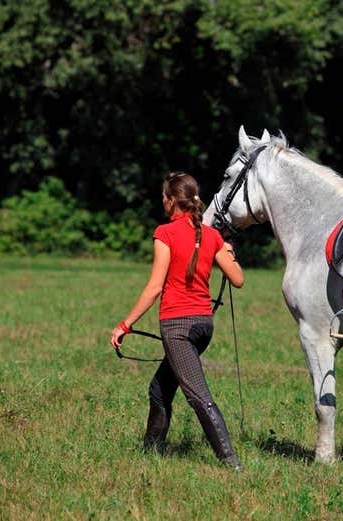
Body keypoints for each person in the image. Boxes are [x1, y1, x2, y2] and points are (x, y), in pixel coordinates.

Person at [110, 171, 244, 470]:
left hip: (177, 326)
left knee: (198, 395)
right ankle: (150, 455)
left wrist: (125, 324)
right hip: (203, 326)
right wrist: (229, 251)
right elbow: (237, 279)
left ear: (173, 201)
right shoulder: (211, 235)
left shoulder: (165, 233)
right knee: (159, 390)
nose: (162, 202)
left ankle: (231, 463)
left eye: (163, 197)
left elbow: (155, 287)